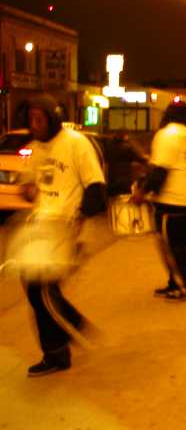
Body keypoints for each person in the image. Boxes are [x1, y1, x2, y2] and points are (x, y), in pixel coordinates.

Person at [20, 94, 107, 376]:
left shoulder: (75, 143)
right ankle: (57, 350)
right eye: (30, 119)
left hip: (65, 224)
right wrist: (29, 190)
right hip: (41, 224)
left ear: (52, 117)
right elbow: (32, 183)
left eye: (39, 119)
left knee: (40, 287)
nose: (34, 125)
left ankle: (71, 329)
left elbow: (95, 185)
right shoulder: (35, 148)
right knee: (35, 289)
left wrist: (82, 219)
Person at [135, 101, 186, 301]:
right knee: (182, 245)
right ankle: (175, 282)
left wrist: (142, 191)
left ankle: (185, 286)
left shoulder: (166, 135)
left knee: (171, 247)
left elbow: (159, 170)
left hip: (170, 198)